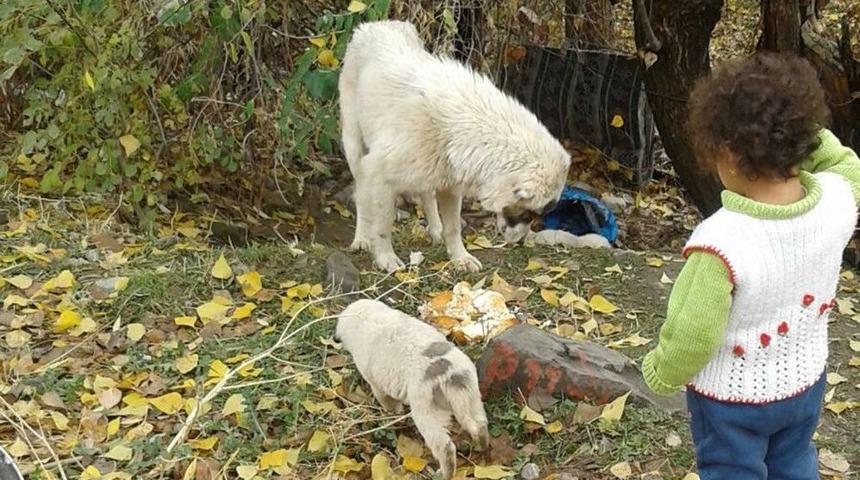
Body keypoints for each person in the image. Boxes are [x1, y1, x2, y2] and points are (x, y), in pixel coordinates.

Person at [641, 52, 860, 479]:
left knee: (732, 470)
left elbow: (693, 333)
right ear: (803, 138)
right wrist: (804, 135)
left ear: (726, 152)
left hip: (731, 399)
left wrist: (663, 371)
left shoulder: (719, 243)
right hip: (804, 382)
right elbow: (844, 164)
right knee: (794, 461)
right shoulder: (838, 202)